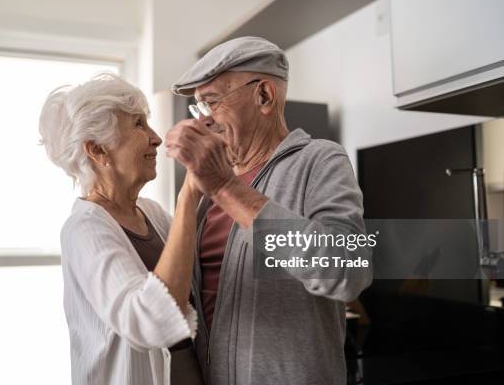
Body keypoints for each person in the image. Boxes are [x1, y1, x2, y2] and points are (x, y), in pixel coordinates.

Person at [165, 36, 373, 385]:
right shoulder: (205, 189)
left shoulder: (320, 160)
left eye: (212, 102)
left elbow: (348, 272)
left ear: (263, 95)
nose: (205, 122)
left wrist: (226, 189)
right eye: (198, 108)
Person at [39, 72, 203, 385]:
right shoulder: (83, 230)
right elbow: (148, 322)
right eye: (138, 125)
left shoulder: (152, 213)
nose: (155, 137)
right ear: (97, 150)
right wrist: (188, 195)